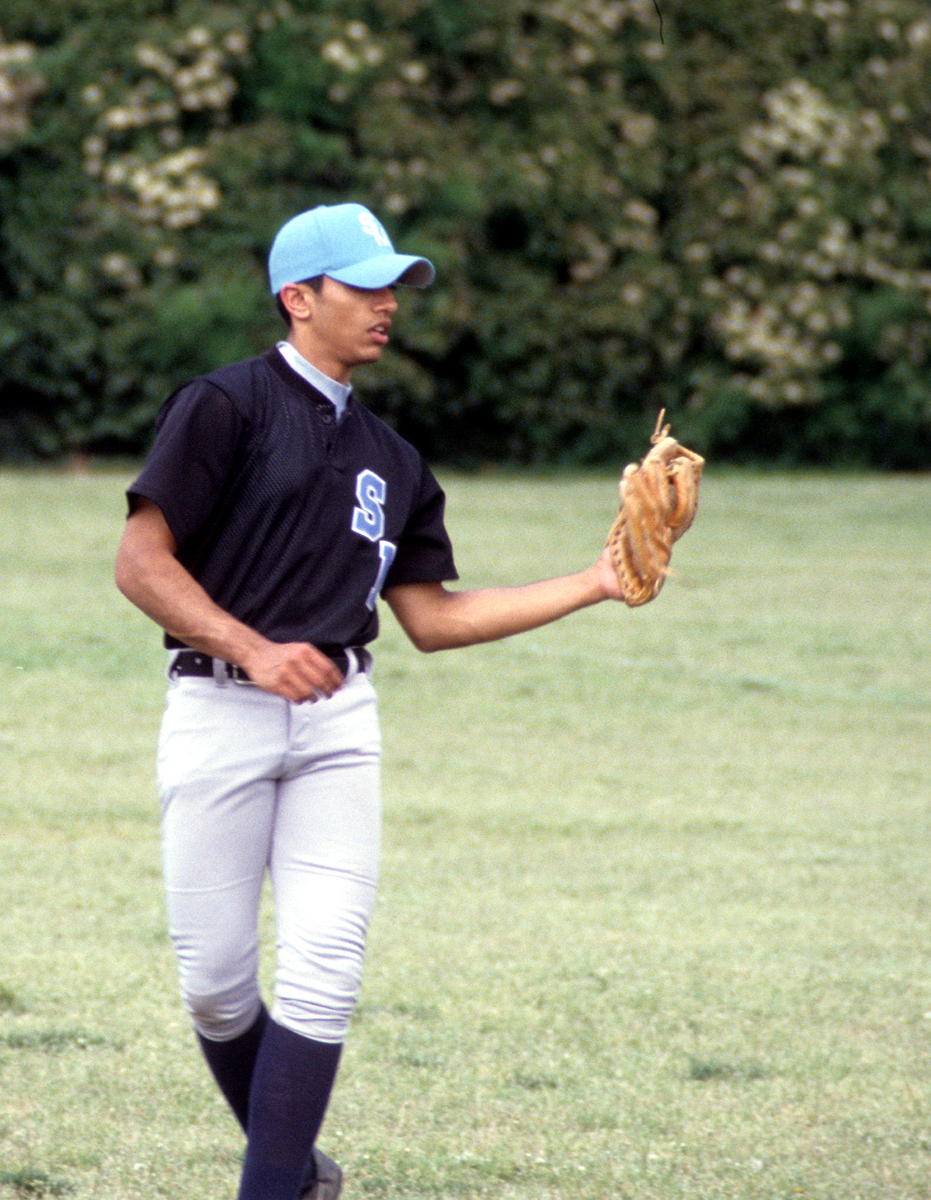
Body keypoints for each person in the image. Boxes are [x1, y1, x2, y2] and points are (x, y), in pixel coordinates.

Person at [114, 202, 624, 1200]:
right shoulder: (223, 406)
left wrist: (594, 581)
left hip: (339, 726)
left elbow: (432, 617)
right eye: (365, 285)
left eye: (396, 287)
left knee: (324, 970)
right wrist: (252, 649)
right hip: (219, 708)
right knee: (216, 988)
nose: (388, 304)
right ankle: (298, 1173)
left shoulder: (395, 459)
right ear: (298, 298)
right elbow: (141, 562)